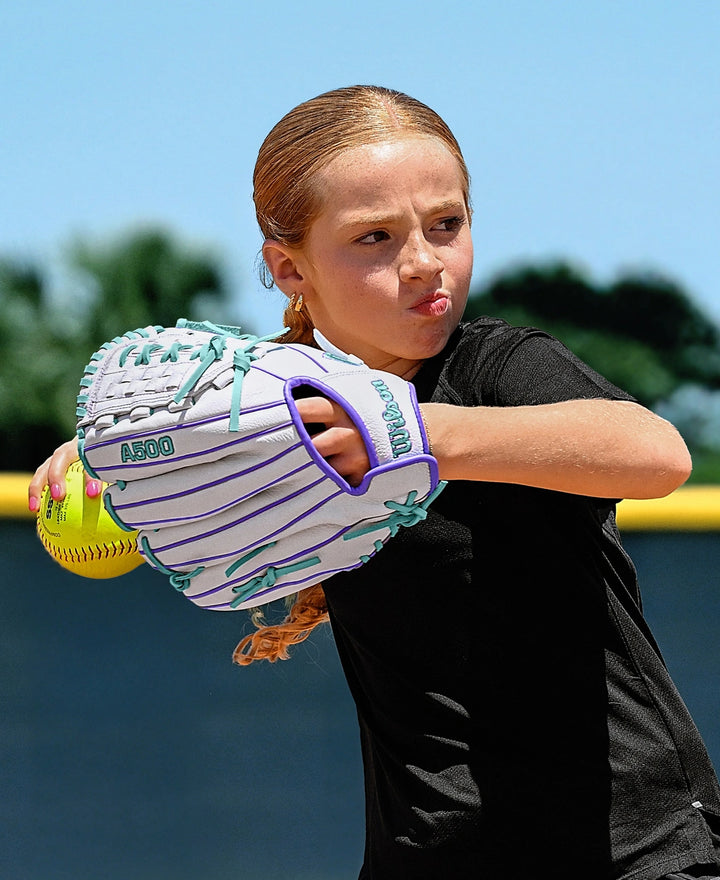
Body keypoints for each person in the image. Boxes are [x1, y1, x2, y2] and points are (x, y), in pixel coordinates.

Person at [29, 85, 720, 880]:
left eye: (447, 224)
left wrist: (416, 434)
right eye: (375, 238)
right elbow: (192, 428)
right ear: (290, 267)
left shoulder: (494, 365)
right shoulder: (278, 411)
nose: (424, 261)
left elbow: (655, 451)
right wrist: (108, 458)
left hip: (630, 853)